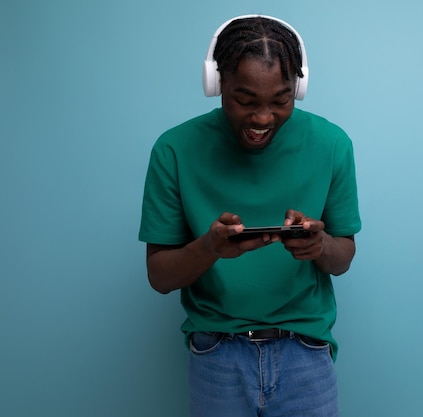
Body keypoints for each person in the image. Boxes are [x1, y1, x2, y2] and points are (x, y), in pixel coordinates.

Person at [139, 14, 361, 417]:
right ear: (216, 83)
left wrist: (319, 245)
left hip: (305, 352)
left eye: (280, 101)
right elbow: (159, 276)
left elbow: (343, 257)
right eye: (245, 101)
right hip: (217, 355)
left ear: (299, 88)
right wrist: (209, 248)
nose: (262, 118)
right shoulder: (174, 150)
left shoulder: (332, 145)